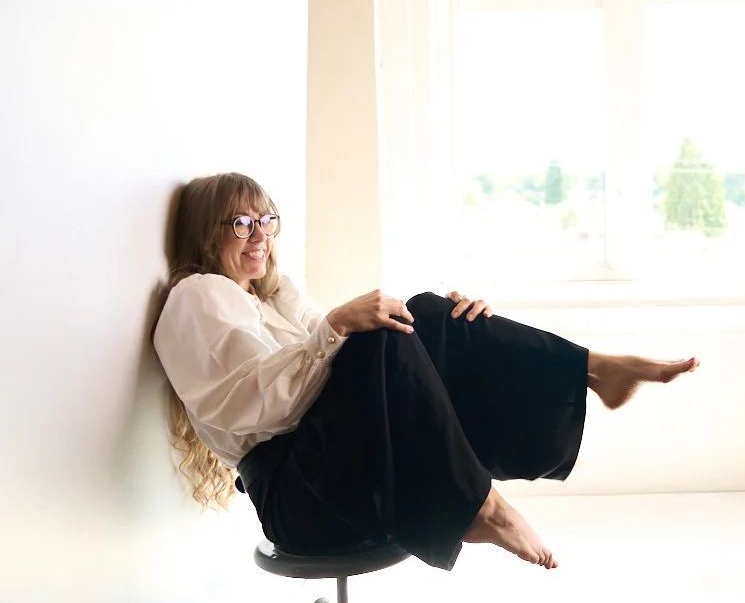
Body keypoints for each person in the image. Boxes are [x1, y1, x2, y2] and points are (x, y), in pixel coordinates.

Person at [154, 172, 699, 571]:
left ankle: (592, 370)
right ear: (207, 233)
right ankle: (482, 505)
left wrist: (456, 336)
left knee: (429, 314)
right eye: (241, 223)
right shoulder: (198, 295)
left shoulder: (273, 298)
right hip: (299, 498)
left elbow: (335, 371)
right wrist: (340, 325)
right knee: (387, 330)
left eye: (266, 220)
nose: (260, 235)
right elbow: (261, 409)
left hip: (334, 467)